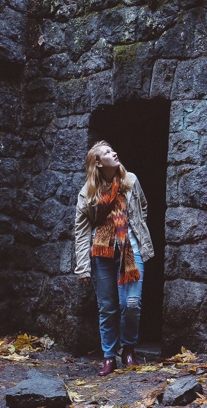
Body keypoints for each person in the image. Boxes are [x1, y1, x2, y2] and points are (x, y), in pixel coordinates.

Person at [74, 141, 155, 376]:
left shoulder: (131, 181)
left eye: (112, 150)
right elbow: (81, 231)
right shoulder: (88, 193)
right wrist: (83, 267)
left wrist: (134, 232)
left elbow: (142, 207)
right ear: (98, 163)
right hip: (102, 254)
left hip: (131, 249)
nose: (114, 153)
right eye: (107, 152)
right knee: (108, 308)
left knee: (131, 304)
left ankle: (128, 348)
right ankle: (109, 356)